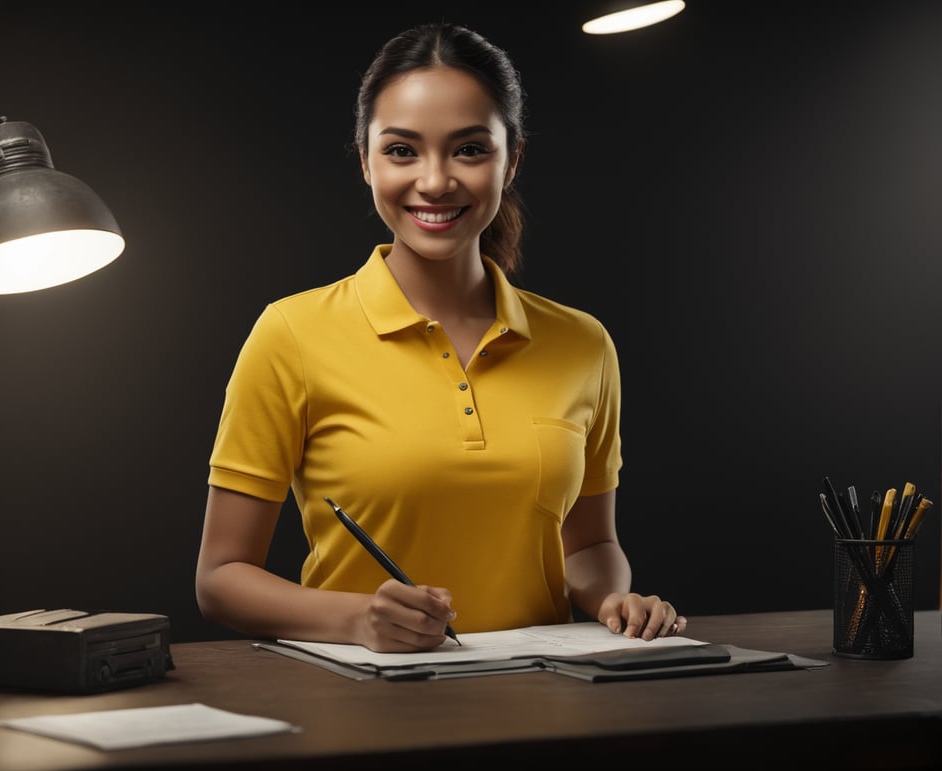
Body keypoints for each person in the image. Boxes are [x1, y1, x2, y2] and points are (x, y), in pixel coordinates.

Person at [195, 21, 687, 653]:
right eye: (402, 150)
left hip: (550, 703)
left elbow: (590, 545)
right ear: (366, 157)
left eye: (469, 150)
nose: (434, 182)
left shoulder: (583, 343)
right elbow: (220, 580)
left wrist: (613, 600)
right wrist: (357, 619)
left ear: (512, 160)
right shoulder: (290, 334)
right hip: (361, 708)